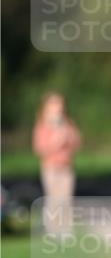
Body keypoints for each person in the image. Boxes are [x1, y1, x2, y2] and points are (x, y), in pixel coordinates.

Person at [32, 92, 81, 237]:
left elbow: (77, 142)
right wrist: (56, 140)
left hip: (66, 166)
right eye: (54, 104)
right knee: (53, 198)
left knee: (66, 198)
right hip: (50, 167)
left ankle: (65, 229)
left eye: (59, 104)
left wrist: (68, 134)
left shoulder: (67, 123)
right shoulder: (42, 125)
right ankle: (52, 229)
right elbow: (40, 148)